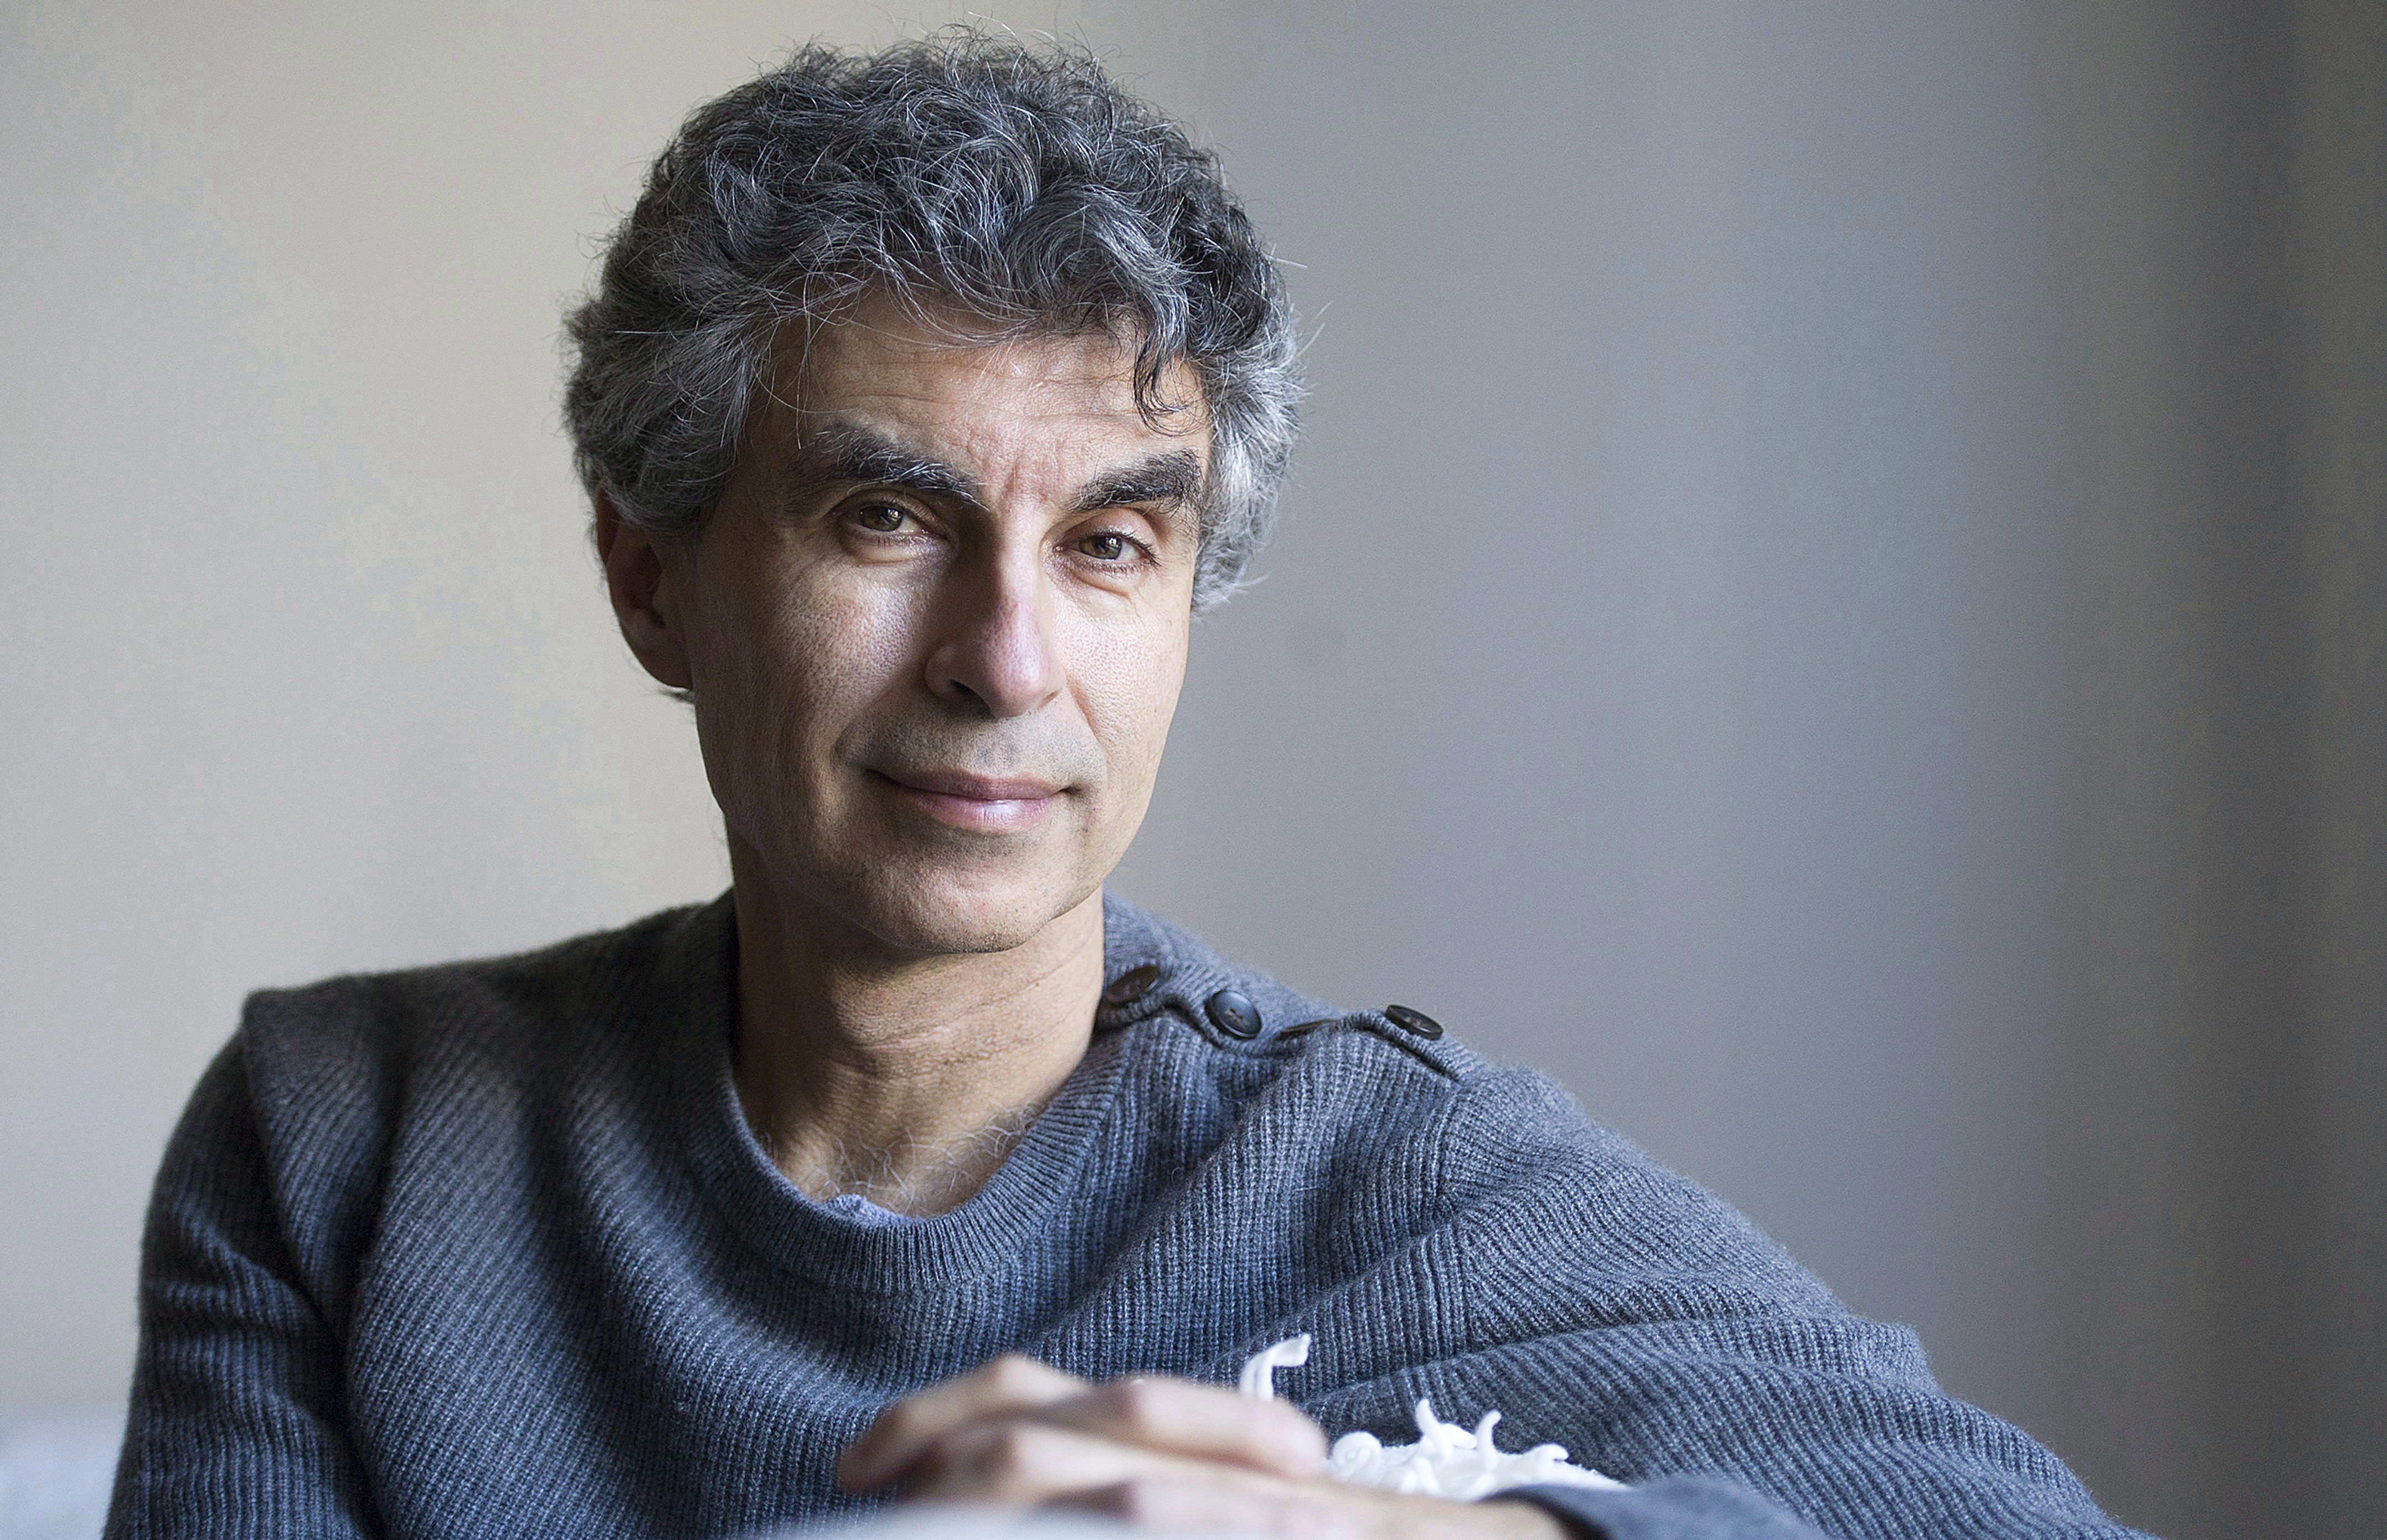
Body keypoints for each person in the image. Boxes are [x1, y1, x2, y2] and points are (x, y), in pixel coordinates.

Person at [106, 34, 2150, 1540]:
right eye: (889, 518)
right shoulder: (346, 1146)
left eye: (1109, 543)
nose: (1008, 661)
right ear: (657, 580)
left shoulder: (1394, 1183)